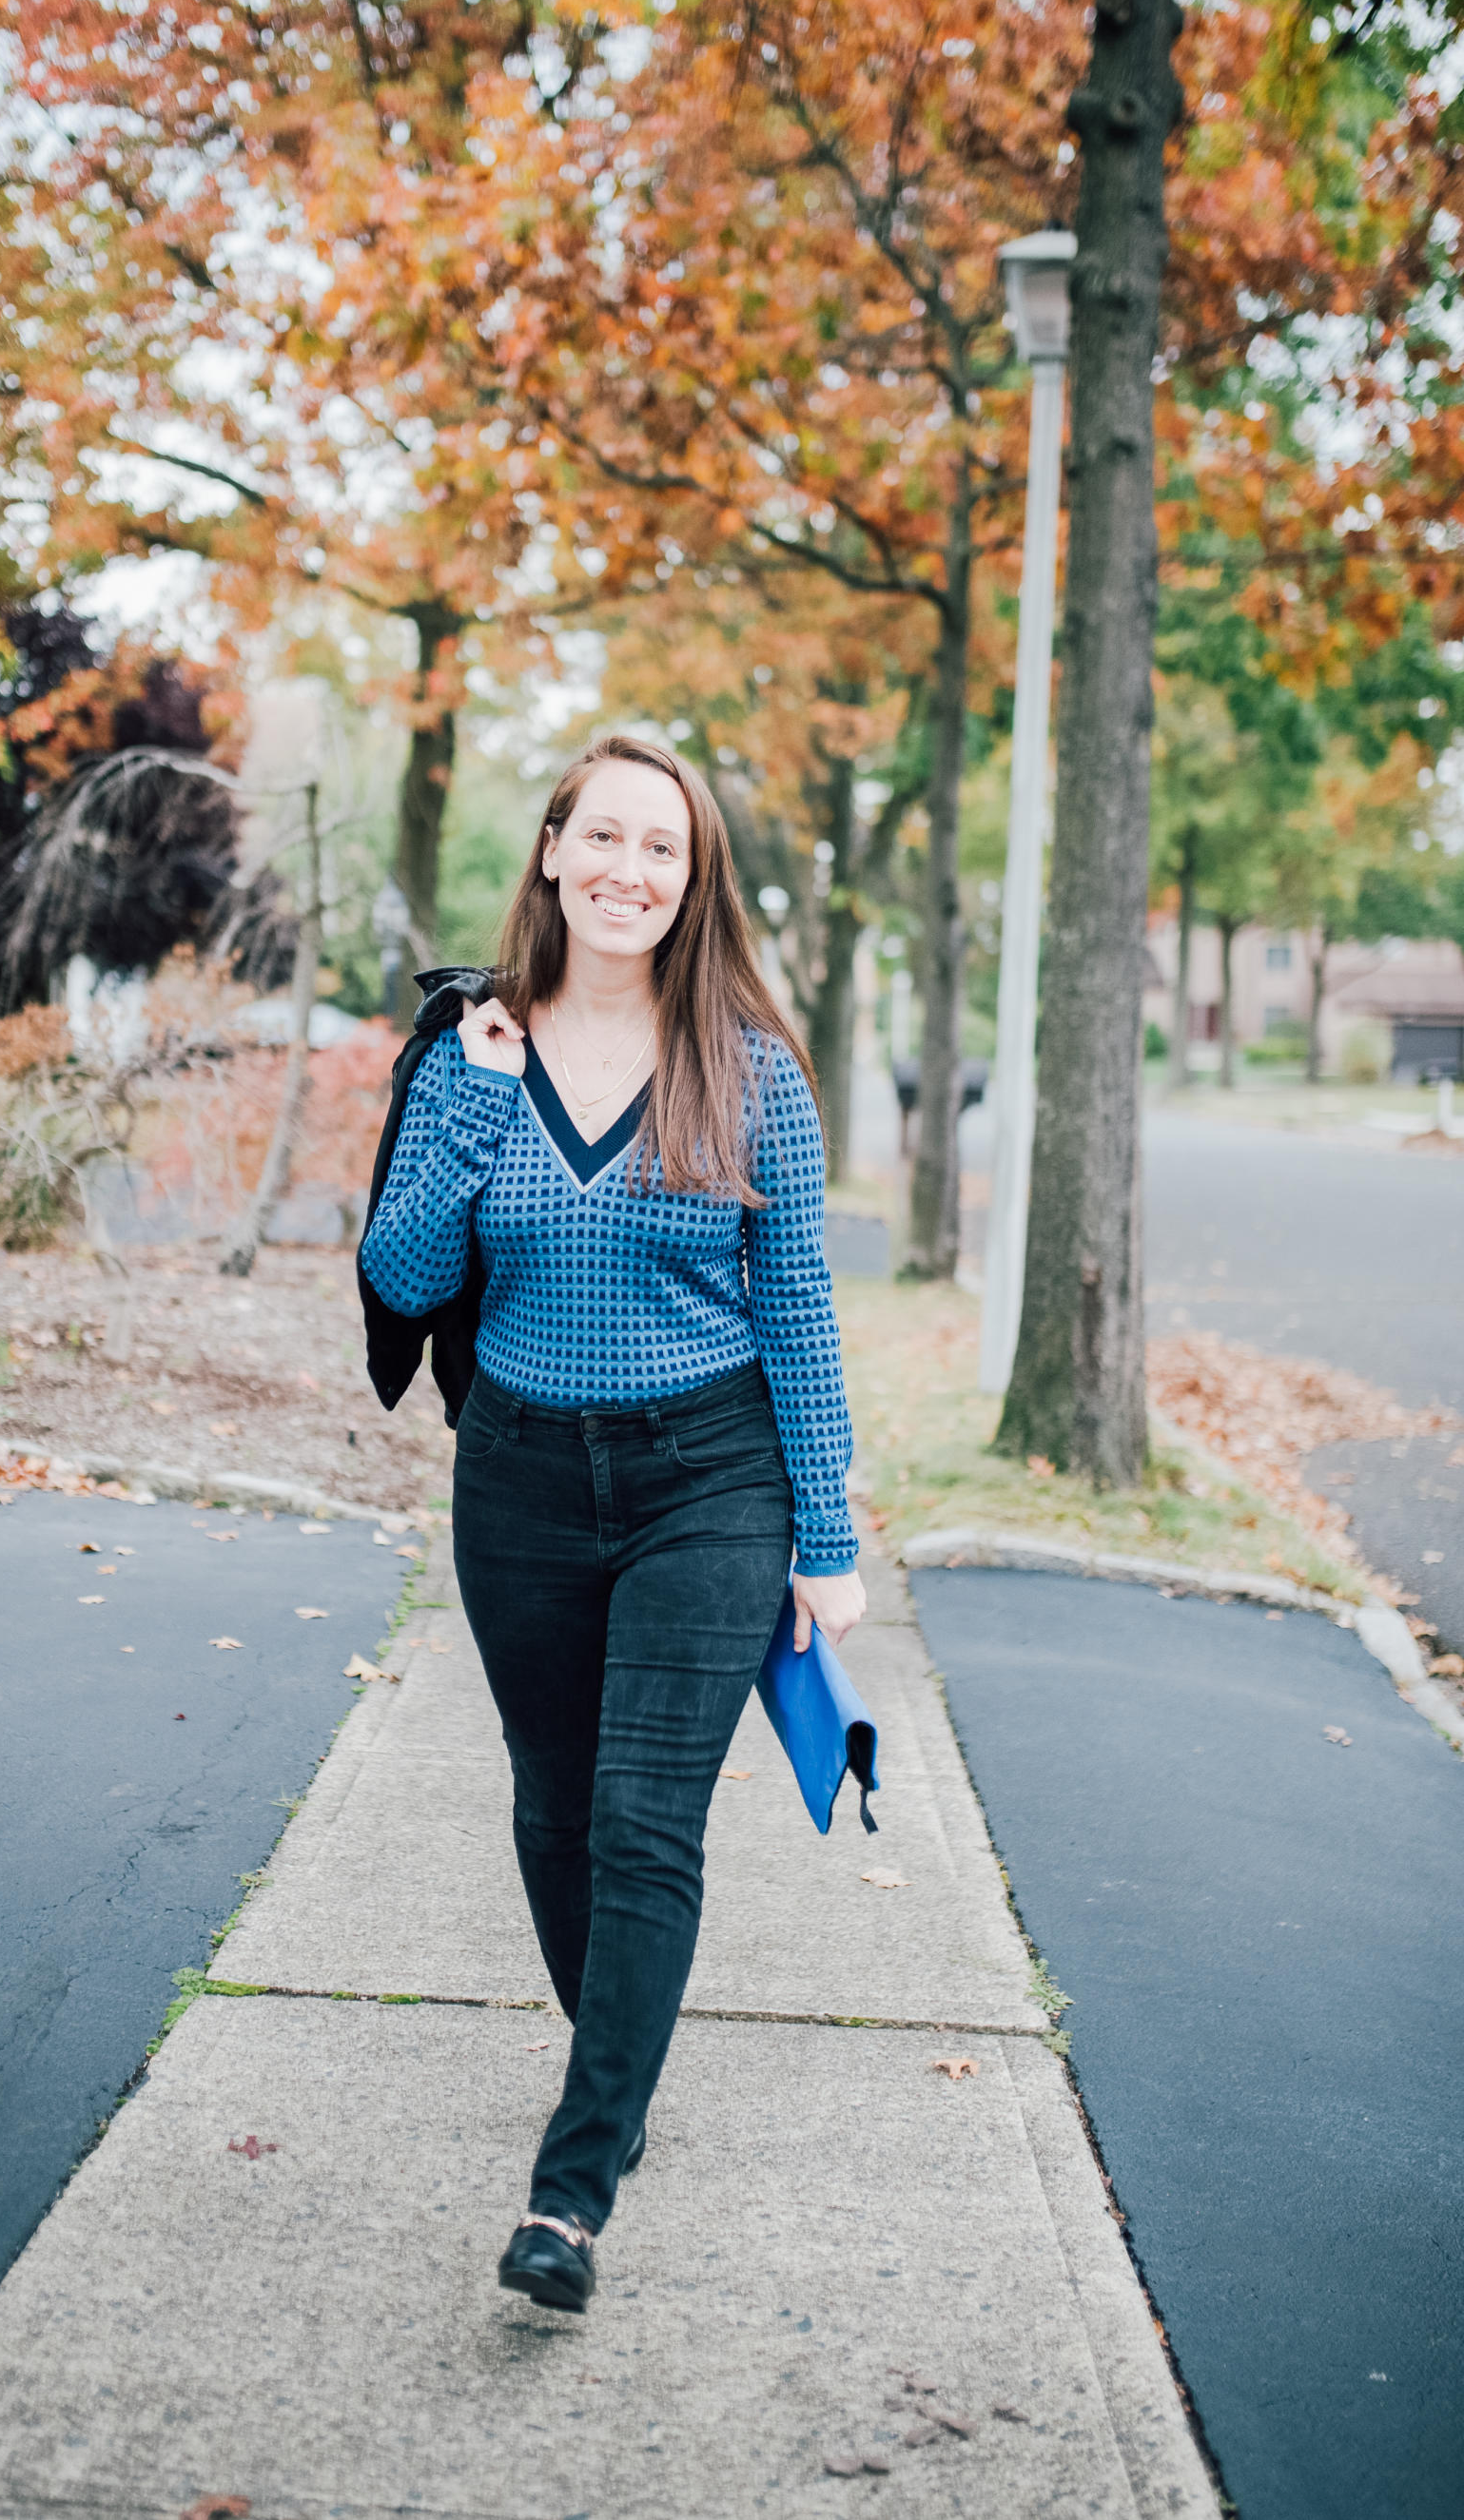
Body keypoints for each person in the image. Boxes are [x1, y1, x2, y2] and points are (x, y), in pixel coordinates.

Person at [361, 731, 866, 2313]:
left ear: (692, 876)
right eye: (605, 837)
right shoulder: (469, 1051)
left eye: (665, 847)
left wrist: (828, 1539)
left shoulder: (749, 1069)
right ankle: (620, 2070)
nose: (630, 869)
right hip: (516, 1475)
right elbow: (400, 1271)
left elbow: (797, 1307)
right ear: (554, 852)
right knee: (556, 1807)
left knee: (648, 1820)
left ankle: (570, 2194)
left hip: (709, 1480)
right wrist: (472, 1102)